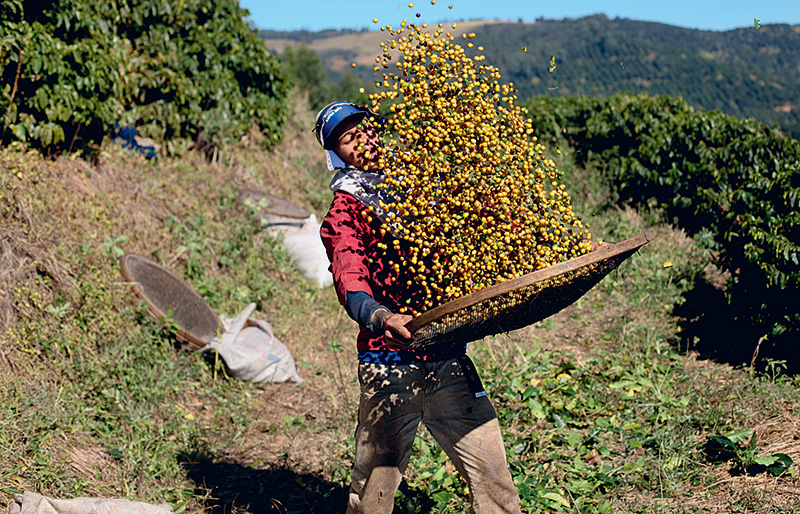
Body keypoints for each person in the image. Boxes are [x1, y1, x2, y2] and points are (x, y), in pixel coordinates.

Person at [316, 101, 522, 514]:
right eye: (349, 138)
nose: (364, 141)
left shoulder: (417, 185)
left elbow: (478, 221)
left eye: (366, 130)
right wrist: (380, 316)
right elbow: (349, 277)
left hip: (446, 358)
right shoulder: (346, 211)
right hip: (389, 366)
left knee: (495, 480)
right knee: (373, 495)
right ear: (338, 154)